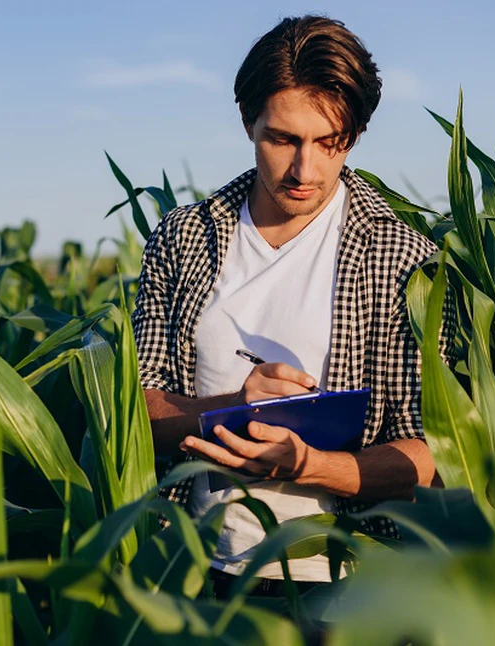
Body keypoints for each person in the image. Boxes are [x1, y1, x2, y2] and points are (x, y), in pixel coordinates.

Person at [132, 15, 456, 587]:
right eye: (282, 139)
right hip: (194, 570)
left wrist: (310, 465)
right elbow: (137, 406)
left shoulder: (403, 259)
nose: (305, 170)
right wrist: (234, 408)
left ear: (352, 136)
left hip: (346, 582)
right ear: (247, 121)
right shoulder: (183, 239)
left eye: (329, 144)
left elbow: (436, 453)